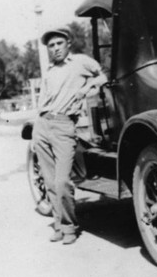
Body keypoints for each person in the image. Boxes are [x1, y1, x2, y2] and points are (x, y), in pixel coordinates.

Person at [33, 26, 106, 244]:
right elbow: (42, 103)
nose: (55, 48)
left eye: (58, 44)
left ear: (68, 44)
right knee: (49, 181)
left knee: (63, 180)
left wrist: (86, 89)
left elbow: (102, 76)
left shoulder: (80, 62)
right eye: (51, 45)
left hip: (64, 125)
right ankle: (59, 225)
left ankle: (69, 226)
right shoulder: (49, 71)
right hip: (43, 125)